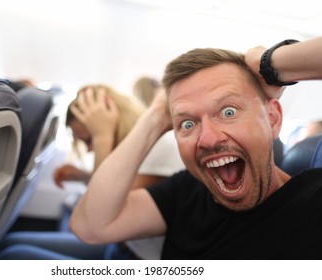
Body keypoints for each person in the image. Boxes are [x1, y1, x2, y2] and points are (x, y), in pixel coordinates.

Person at [69, 36, 322, 259]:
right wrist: (156, 116)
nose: (208, 139)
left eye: (228, 111)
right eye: (188, 124)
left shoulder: (311, 206)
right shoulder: (188, 192)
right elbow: (91, 226)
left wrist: (269, 63)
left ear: (273, 119)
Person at [0, 84, 185, 260]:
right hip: (121, 248)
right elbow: (120, 189)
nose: (91, 149)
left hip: (136, 258)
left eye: (89, 140)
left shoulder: (160, 146)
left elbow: (104, 211)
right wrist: (82, 176)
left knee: (13, 255)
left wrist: (103, 137)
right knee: (10, 241)